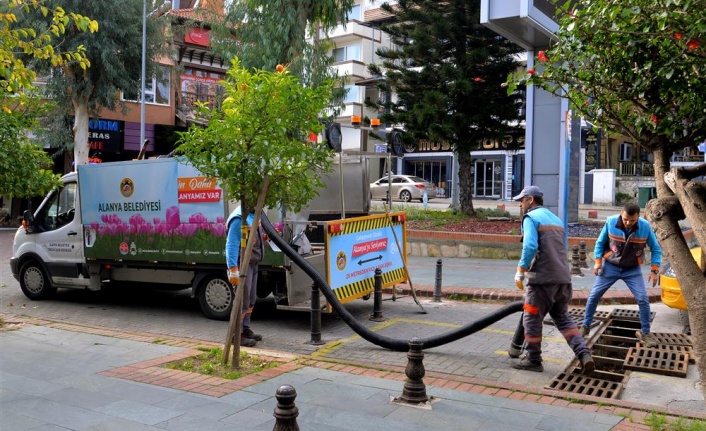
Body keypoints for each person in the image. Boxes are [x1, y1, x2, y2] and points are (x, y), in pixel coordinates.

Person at [511, 185, 594, 373]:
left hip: (542, 280)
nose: (520, 205)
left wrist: (521, 270)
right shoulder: (556, 220)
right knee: (563, 319)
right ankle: (584, 354)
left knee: (531, 318)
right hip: (562, 279)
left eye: (522, 201)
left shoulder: (530, 218)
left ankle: (533, 359)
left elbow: (530, 246)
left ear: (531, 200)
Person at [580, 202, 662, 347]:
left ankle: (646, 333)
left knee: (643, 299)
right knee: (594, 295)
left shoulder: (645, 227)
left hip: (632, 269)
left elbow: (656, 249)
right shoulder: (611, 222)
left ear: (638, 217)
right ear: (621, 213)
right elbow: (600, 243)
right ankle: (585, 326)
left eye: (632, 220)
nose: (628, 223)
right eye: (625, 219)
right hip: (610, 266)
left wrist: (655, 270)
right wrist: (598, 262)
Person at [226, 206, 264, 347]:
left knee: (250, 299)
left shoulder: (252, 215)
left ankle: (245, 329)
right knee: (243, 300)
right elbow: (232, 244)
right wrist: (233, 268)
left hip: (252, 263)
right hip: (243, 265)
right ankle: (237, 334)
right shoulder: (238, 219)